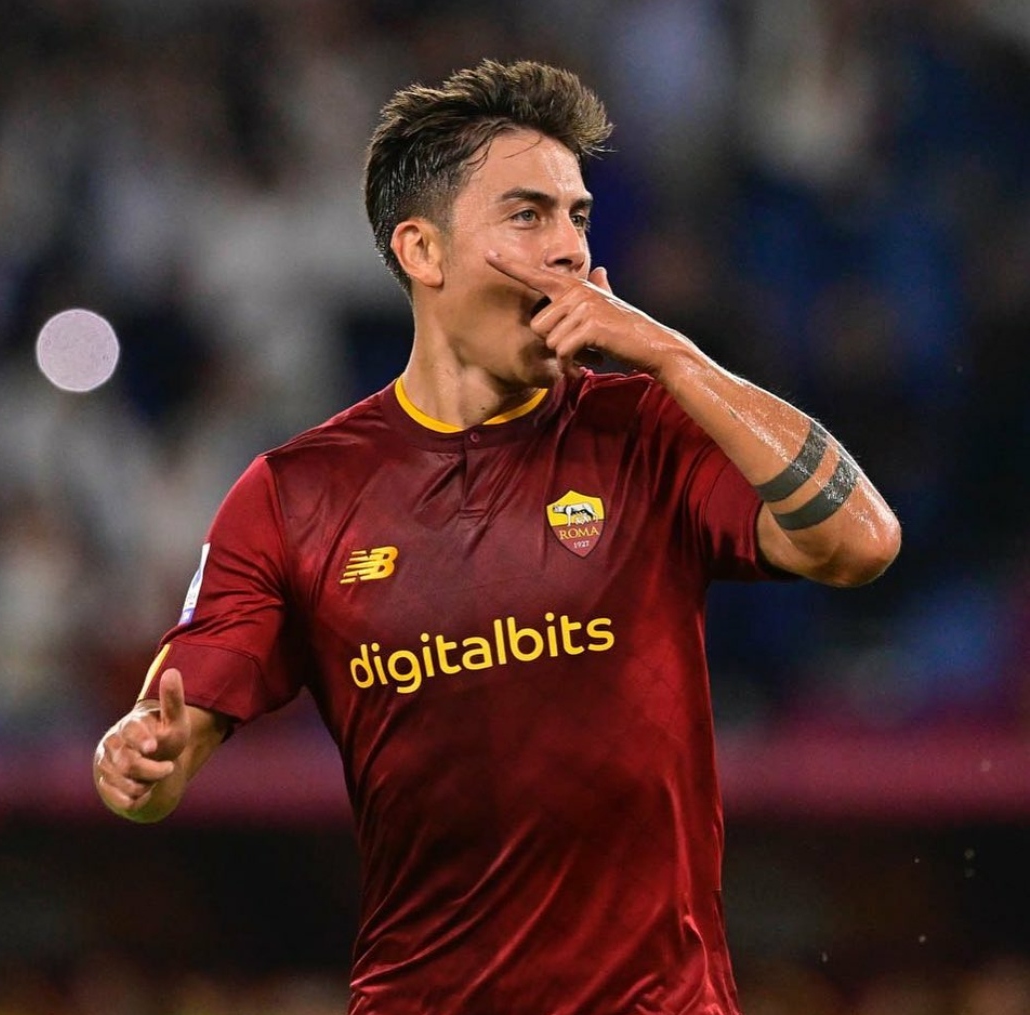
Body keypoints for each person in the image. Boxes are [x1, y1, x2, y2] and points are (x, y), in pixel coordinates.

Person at [93, 59, 901, 1015]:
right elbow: (168, 744)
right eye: (528, 215)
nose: (568, 249)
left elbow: (861, 540)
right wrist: (139, 758)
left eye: (578, 217)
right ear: (422, 251)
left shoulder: (647, 431)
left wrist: (674, 356)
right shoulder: (294, 495)